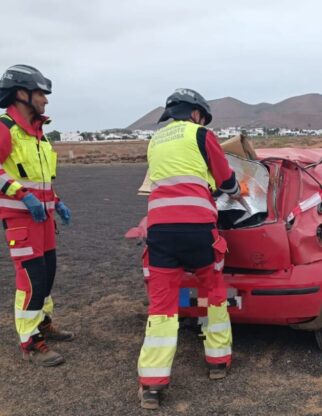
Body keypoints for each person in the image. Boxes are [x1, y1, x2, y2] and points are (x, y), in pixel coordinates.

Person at [137, 88, 240, 410]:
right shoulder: (201, 134)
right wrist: (233, 190)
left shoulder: (155, 140)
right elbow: (226, 180)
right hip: (197, 230)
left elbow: (168, 179)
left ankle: (152, 386)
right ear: (196, 114)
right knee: (213, 292)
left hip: (160, 232)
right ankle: (217, 362)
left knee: (162, 305)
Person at [0, 64, 74, 367]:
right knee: (31, 280)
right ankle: (29, 342)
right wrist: (22, 194)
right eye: (40, 93)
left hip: (43, 220)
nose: (45, 99)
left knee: (47, 275)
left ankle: (43, 323)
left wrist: (55, 201)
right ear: (21, 94)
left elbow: (39, 178)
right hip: (21, 220)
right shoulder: (4, 128)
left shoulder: (38, 134)